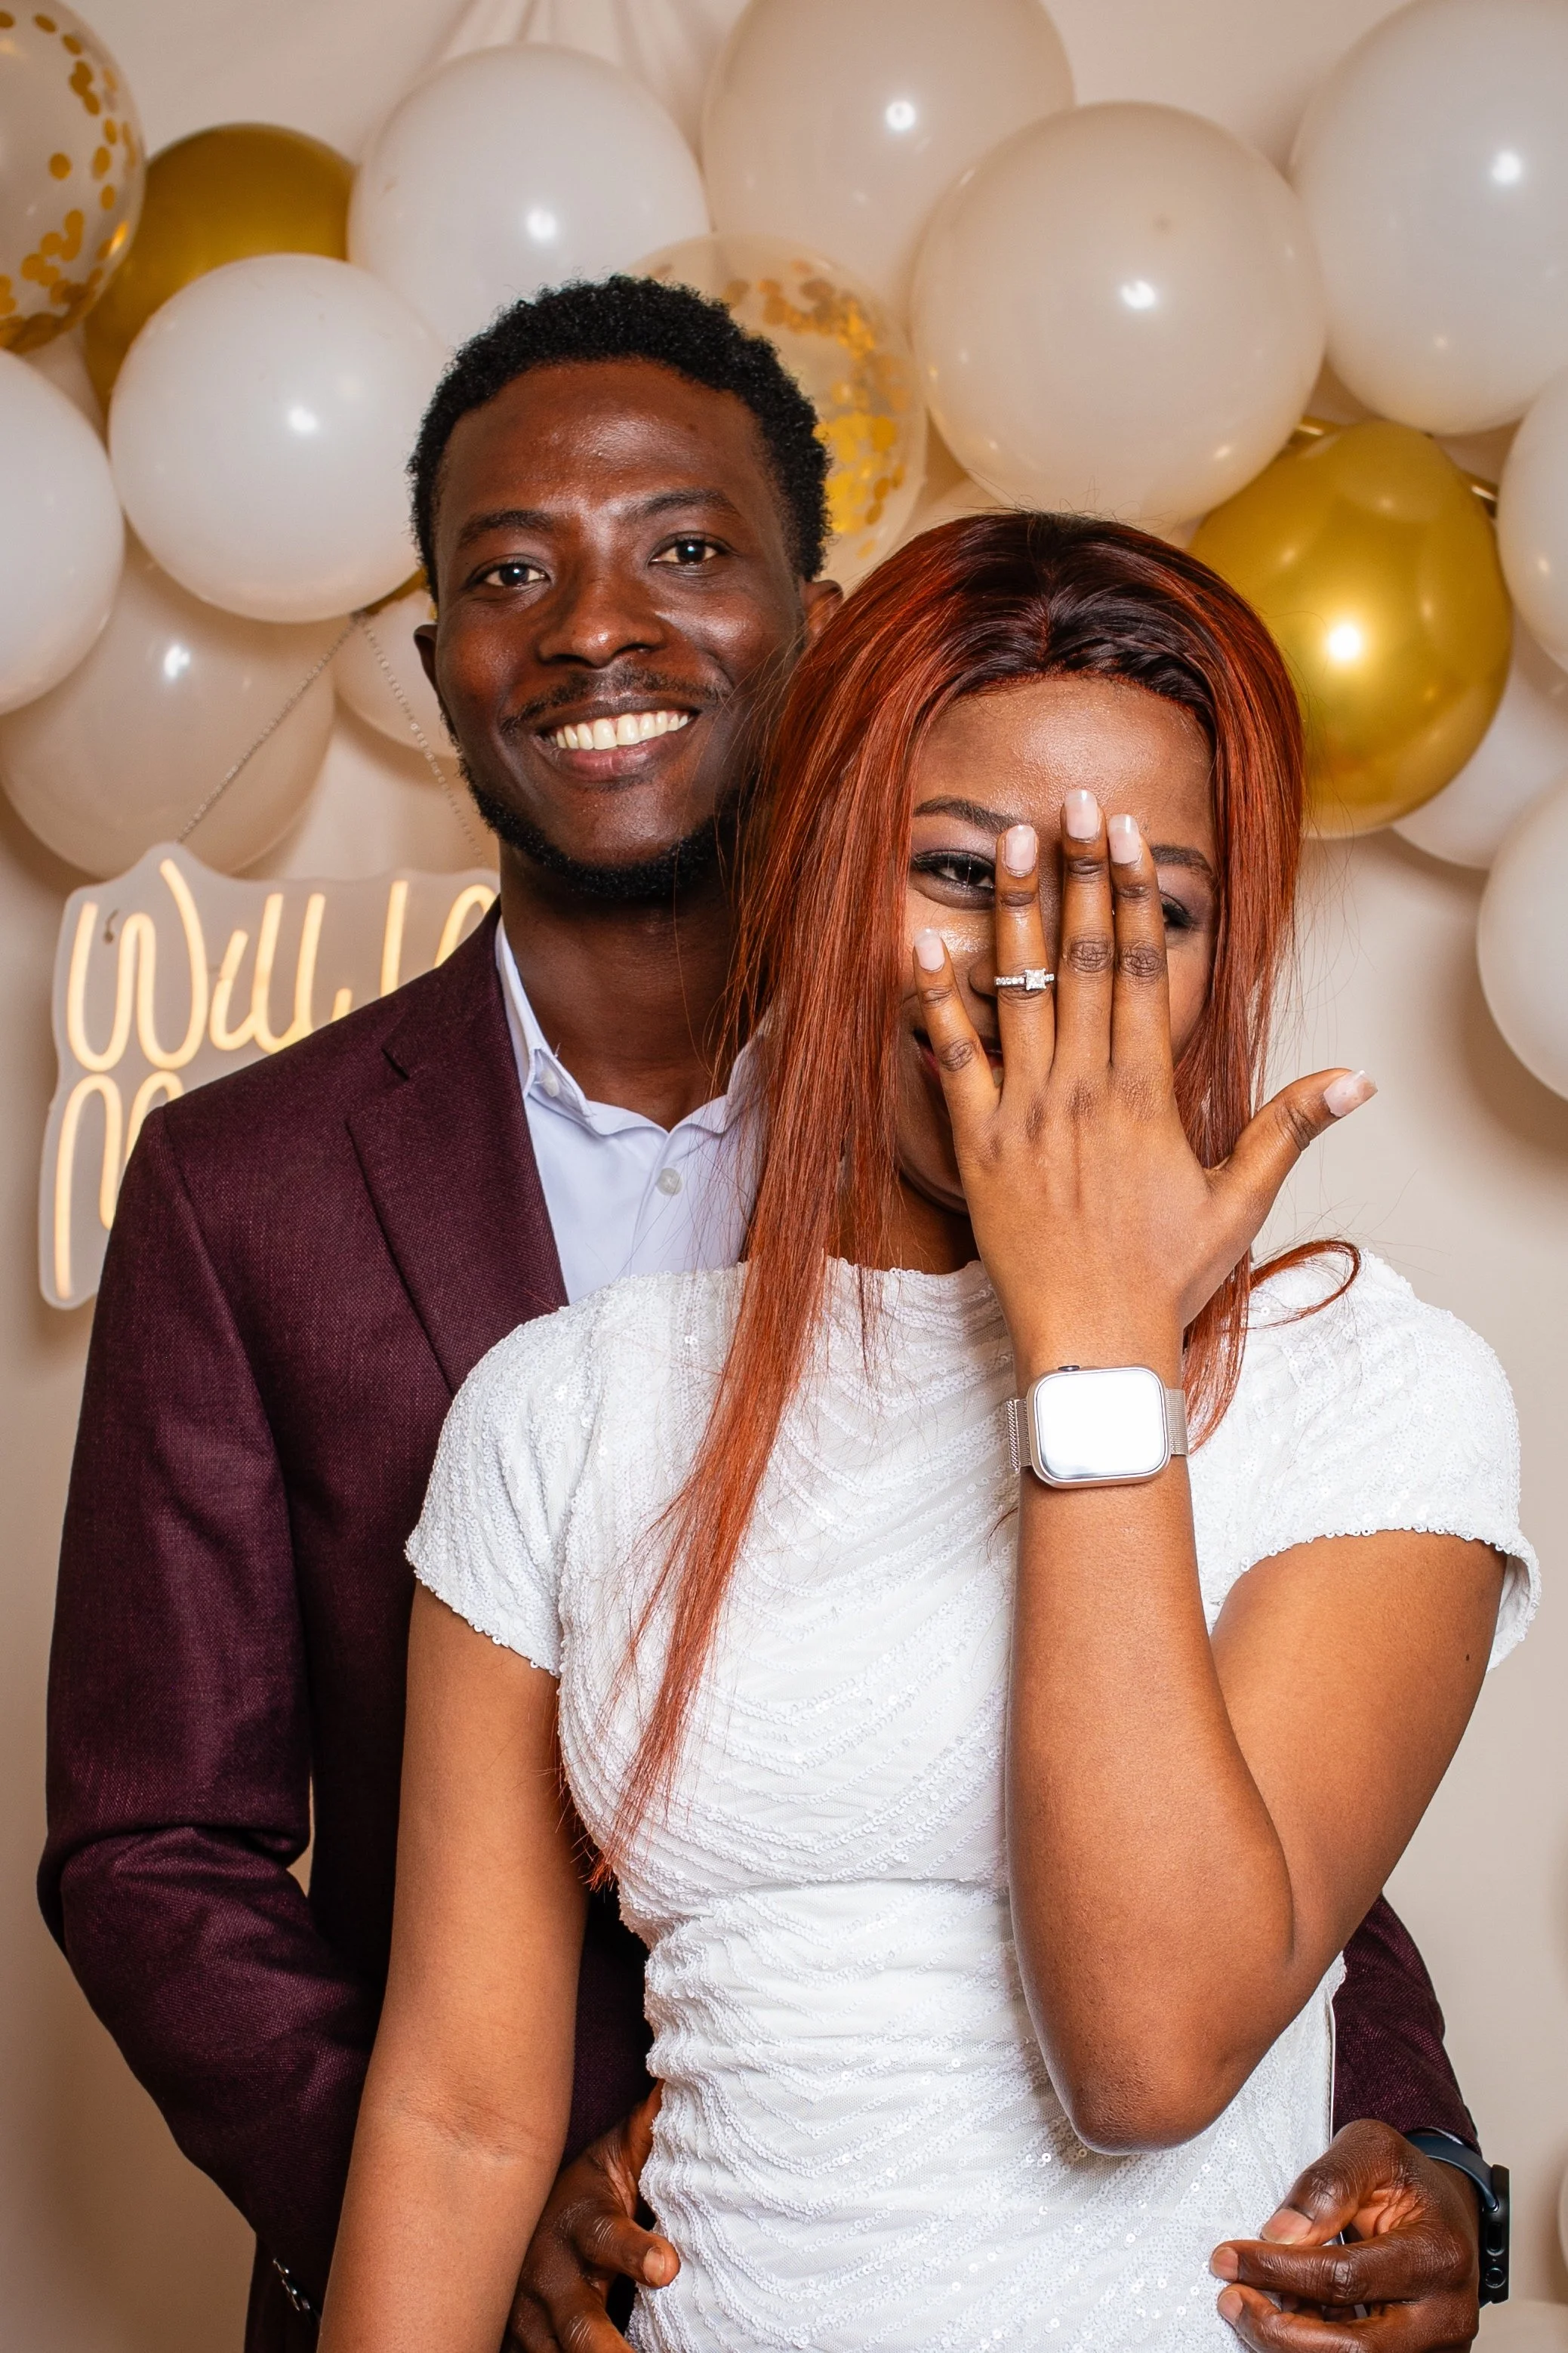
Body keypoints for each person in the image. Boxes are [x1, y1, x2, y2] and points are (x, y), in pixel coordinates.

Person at [36, 281, 1502, 2353]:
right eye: (510, 571)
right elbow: (164, 1852)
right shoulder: (342, 1250)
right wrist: (488, 2192)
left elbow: (1242, 1868)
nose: (1046, 961)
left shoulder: (1326, 1356)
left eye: (686, 549)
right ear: (428, 655)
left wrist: (1436, 2163)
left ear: (810, 632)